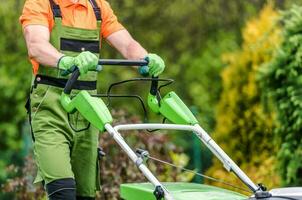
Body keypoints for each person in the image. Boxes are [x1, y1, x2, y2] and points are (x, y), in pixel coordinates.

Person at [19, 0, 165, 199]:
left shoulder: (98, 7)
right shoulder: (40, 3)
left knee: (84, 193)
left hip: (88, 111)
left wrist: (146, 58)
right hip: (50, 108)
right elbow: (36, 45)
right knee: (63, 191)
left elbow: (127, 44)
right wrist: (64, 61)